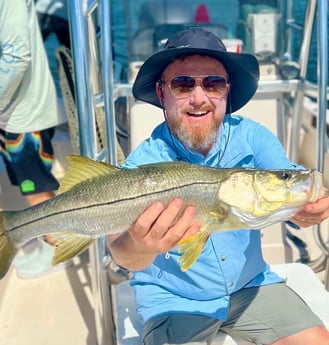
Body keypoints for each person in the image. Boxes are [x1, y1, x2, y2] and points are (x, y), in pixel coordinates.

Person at [107, 28, 329, 345]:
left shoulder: (253, 136)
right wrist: (140, 246)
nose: (199, 98)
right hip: (175, 300)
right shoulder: (142, 165)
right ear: (161, 93)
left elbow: (284, 175)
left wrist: (311, 202)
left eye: (213, 83)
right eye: (182, 84)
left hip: (251, 285)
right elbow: (121, 252)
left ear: (227, 92)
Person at [0, 0, 68, 278]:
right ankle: (47, 242)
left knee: (35, 187)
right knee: (30, 183)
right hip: (14, 112)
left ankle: (56, 250)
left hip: (23, 115)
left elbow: (17, 55)